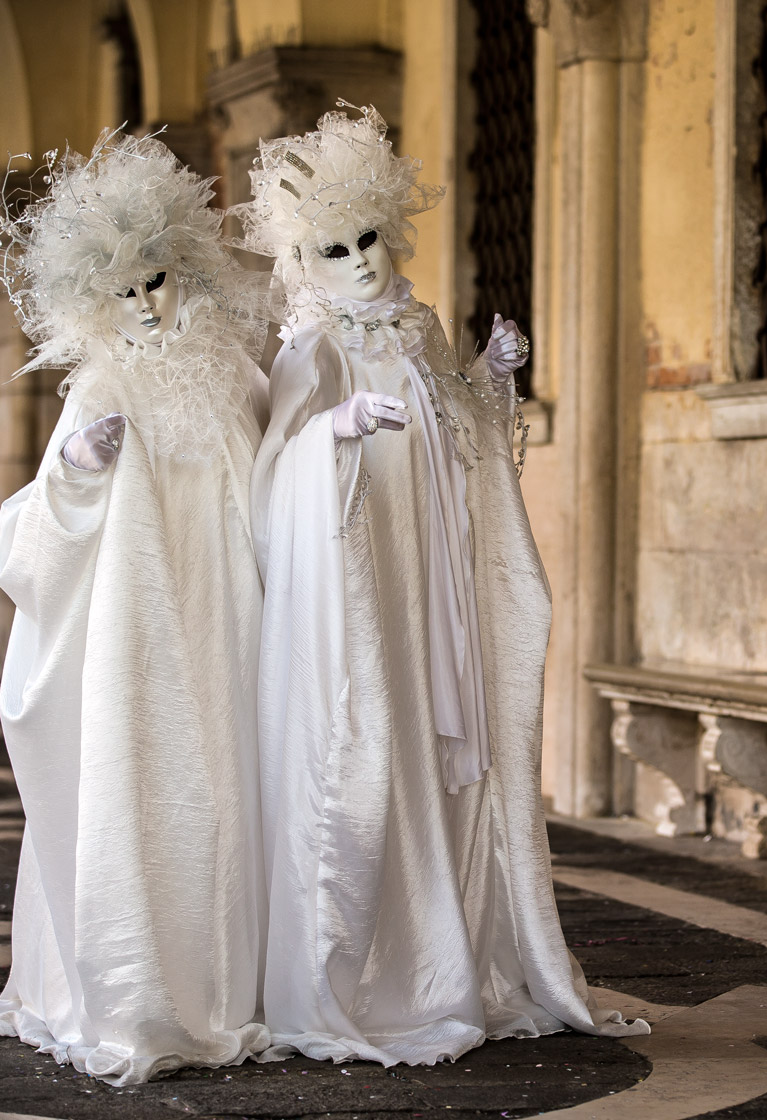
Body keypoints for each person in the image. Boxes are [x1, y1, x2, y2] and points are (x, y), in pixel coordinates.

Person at [235, 103, 648, 1067]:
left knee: (436, 751)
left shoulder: (418, 324)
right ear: (309, 263)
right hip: (361, 594)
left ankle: (450, 952)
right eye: (335, 251)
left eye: (369, 238)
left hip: (434, 585)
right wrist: (331, 436)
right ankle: (368, 972)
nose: (362, 263)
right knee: (373, 749)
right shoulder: (312, 346)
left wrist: (490, 374)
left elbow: (456, 429)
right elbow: (272, 479)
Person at [0, 133, 274, 1085]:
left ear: (188, 271)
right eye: (123, 290)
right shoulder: (99, 387)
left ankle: (237, 980)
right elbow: (27, 537)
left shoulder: (237, 376)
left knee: (229, 796)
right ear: (94, 299)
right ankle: (140, 983)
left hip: (228, 630)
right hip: (132, 646)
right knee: (146, 793)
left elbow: (282, 476)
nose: (145, 303)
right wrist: (76, 468)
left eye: (159, 279)